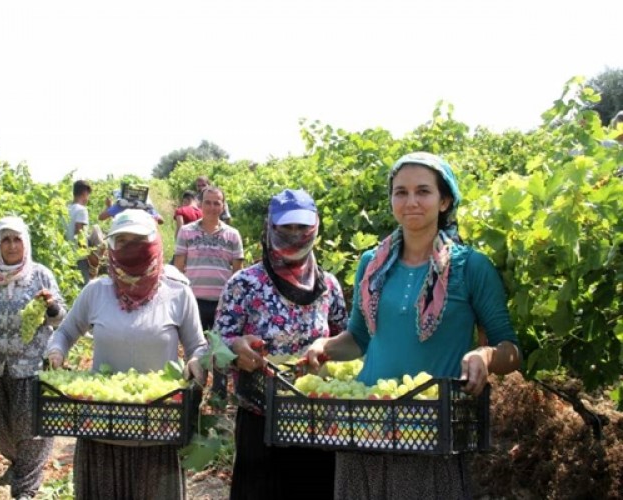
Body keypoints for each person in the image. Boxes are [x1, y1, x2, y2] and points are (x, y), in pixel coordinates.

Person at [306, 152, 522, 499]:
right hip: (366, 427)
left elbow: (511, 352)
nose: (411, 202)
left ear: (444, 200)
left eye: (423, 191)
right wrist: (325, 347)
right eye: (400, 192)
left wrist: (484, 355)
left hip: (431, 433)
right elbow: (359, 339)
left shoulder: (471, 267)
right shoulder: (371, 264)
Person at [45, 209, 208, 500]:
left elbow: (198, 345)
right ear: (111, 247)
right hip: (101, 429)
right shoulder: (97, 291)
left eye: (137, 241)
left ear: (154, 243)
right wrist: (57, 351)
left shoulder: (177, 292)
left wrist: (197, 362)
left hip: (159, 427)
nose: (130, 249)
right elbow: (66, 332)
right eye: (122, 242)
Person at [214, 188, 348, 500]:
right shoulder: (244, 284)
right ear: (269, 228)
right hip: (261, 423)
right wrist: (235, 349)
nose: (295, 235)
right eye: (285, 228)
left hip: (317, 420)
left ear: (315, 227)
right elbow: (215, 346)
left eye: (303, 228)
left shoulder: (328, 286)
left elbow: (346, 339)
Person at [0, 216, 67, 499]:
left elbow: (60, 317)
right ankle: (18, 465)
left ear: (25, 243)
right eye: (5, 240)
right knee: (3, 430)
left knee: (31, 430)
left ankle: (26, 488)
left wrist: (50, 305)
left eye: (17, 239)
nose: (12, 245)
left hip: (31, 365)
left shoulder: (40, 275)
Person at [174, 186, 243, 397]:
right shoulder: (186, 232)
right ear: (200, 205)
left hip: (222, 304)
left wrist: (233, 303)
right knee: (193, 350)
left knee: (220, 351)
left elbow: (237, 273)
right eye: (208, 202)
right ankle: (193, 394)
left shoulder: (232, 235)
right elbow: (178, 267)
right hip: (193, 302)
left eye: (217, 203)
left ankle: (219, 395)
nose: (212, 207)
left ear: (223, 206)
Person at [67, 180, 93, 284]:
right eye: (88, 195)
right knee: (83, 286)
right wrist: (86, 256)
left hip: (65, 254)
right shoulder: (81, 210)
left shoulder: (66, 209)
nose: (88, 198)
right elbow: (79, 233)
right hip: (78, 255)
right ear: (84, 193)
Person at [98, 185, 164, 224]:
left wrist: (108, 206)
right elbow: (161, 220)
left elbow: (101, 217)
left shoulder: (120, 206)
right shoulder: (144, 206)